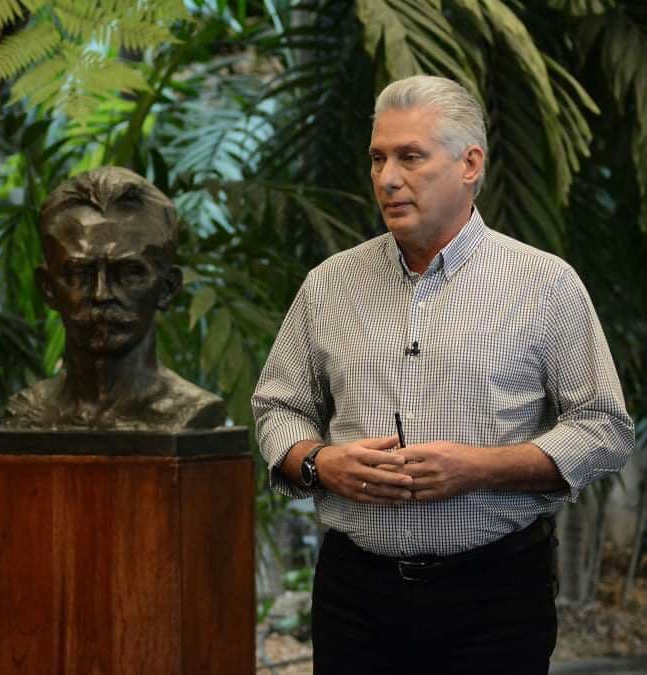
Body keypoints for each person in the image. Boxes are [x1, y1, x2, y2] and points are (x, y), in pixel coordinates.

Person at [252, 75, 634, 674]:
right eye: (378, 158)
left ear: (469, 164)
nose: (387, 178)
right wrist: (318, 462)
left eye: (410, 157)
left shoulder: (544, 284)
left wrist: (481, 468)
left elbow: (604, 426)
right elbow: (277, 405)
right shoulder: (330, 283)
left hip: (496, 593)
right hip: (354, 593)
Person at [5, 166, 225, 430]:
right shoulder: (27, 414)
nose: (101, 294)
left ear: (167, 288)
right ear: (48, 288)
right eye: (79, 274)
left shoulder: (189, 412)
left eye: (129, 274)